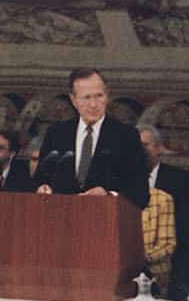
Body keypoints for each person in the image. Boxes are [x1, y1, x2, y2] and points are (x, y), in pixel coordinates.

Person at [32, 70, 149, 205]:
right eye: (86, 97)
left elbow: (140, 192)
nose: (93, 104)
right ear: (74, 100)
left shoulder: (126, 136)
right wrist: (43, 188)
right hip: (61, 212)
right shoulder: (57, 133)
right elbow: (41, 179)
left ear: (107, 95)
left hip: (105, 214)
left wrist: (109, 195)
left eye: (99, 96)